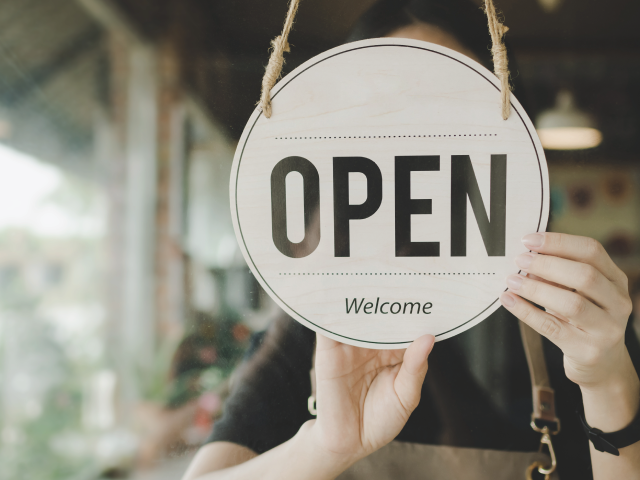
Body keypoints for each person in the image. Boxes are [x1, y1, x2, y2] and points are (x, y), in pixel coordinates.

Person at [181, 1, 640, 479]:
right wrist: (326, 446)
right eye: (386, 109)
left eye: (449, 103)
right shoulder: (319, 323)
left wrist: (609, 382)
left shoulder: (569, 310)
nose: (419, 137)